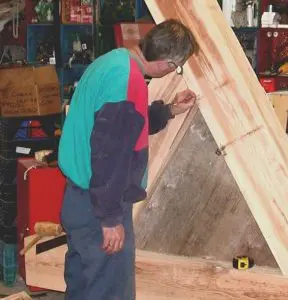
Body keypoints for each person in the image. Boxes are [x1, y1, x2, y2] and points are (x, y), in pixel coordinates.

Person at [58, 19, 199, 300]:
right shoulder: (128, 82)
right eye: (178, 66)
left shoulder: (113, 62)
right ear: (168, 63)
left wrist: (169, 110)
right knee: (109, 291)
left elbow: (124, 128)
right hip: (98, 207)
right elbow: (109, 155)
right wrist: (110, 219)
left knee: (83, 287)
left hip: (79, 199)